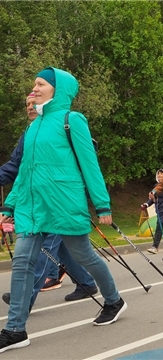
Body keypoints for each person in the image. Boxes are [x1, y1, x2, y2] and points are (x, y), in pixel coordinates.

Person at [0, 67, 127, 353]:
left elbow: (89, 165)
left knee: (85, 257)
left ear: (58, 89)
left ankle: (114, 300)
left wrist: (102, 203)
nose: (35, 89)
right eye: (34, 84)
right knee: (22, 263)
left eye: (41, 84)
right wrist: (10, 203)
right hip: (33, 208)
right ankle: (15, 329)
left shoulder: (73, 120)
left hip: (64, 204)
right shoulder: (33, 126)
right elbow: (26, 172)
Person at [0, 92, 99, 307]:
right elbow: (16, 167)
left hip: (59, 202)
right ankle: (86, 282)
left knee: (44, 248)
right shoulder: (28, 134)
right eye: (27, 103)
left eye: (33, 102)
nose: (29, 107)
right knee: (62, 248)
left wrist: (99, 203)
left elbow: (87, 159)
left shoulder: (65, 126)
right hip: (38, 202)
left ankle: (23, 300)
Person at [141, 169, 163, 254]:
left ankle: (155, 247)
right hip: (160, 211)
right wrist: (146, 205)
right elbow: (151, 199)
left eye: (161, 174)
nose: (159, 176)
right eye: (158, 174)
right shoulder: (156, 186)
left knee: (159, 225)